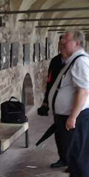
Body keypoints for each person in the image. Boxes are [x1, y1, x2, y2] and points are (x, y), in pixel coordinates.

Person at [49, 30, 89, 177]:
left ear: (77, 43)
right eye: (61, 38)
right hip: (71, 115)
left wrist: (72, 116)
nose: (62, 41)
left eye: (66, 39)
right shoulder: (72, 60)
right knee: (71, 151)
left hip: (79, 115)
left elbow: (82, 92)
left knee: (79, 152)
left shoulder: (80, 62)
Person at [39, 36, 67, 168]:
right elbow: (50, 81)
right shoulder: (56, 61)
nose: (62, 47)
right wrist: (46, 100)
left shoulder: (75, 61)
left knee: (72, 133)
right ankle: (63, 158)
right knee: (59, 130)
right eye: (60, 44)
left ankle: (72, 162)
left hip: (72, 103)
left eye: (64, 44)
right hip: (58, 101)